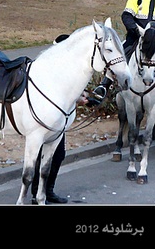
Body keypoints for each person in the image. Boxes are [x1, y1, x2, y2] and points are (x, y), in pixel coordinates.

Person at [31, 34, 102, 204]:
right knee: (40, 155)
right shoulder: (48, 67)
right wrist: (81, 98)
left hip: (59, 122)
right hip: (43, 121)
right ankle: (36, 192)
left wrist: (85, 97)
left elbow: (71, 91)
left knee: (58, 154)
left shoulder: (68, 68)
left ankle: (48, 190)